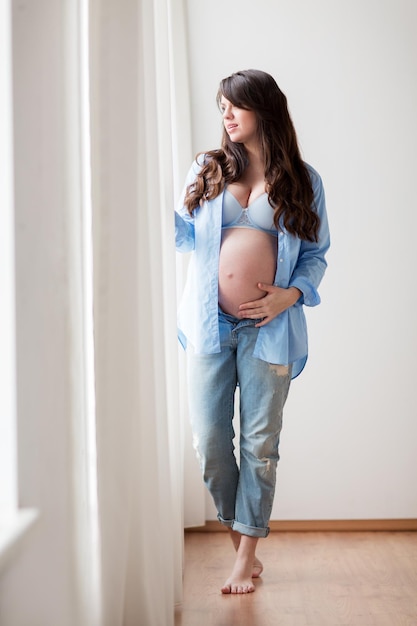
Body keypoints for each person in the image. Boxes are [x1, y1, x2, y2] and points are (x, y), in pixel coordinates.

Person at [175, 69, 330, 594]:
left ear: (264, 108)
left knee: (260, 446)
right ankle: (240, 536)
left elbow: (315, 256)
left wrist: (291, 294)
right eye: (221, 107)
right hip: (211, 325)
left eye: (234, 105)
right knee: (210, 442)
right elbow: (179, 234)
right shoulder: (209, 168)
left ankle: (245, 558)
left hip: (270, 328)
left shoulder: (303, 180)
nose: (226, 115)